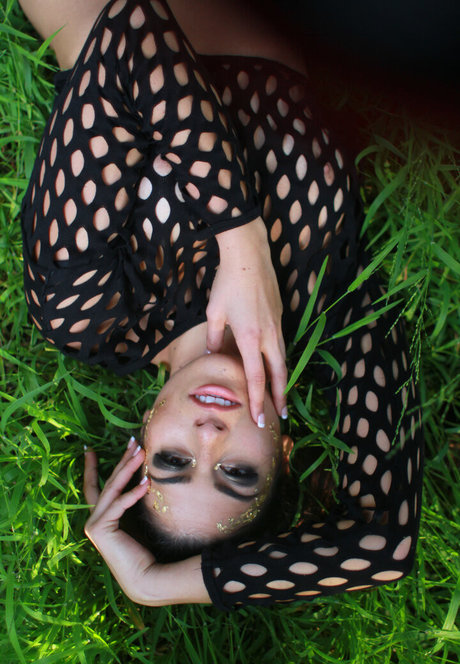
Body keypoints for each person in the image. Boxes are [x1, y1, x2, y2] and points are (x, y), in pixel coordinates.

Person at [19, 0, 423, 610]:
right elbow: (385, 546)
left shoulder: (83, 308)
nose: (208, 437)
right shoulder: (336, 319)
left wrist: (241, 241)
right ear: (283, 456)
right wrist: (153, 586)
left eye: (173, 460)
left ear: (142, 438)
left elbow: (130, 28)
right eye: (237, 473)